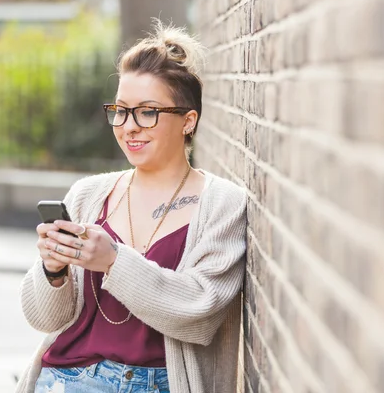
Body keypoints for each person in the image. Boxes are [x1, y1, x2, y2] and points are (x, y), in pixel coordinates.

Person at [15, 20, 248, 393]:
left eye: (147, 112)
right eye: (120, 110)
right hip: (68, 379)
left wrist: (113, 261)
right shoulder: (88, 195)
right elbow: (44, 318)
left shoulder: (222, 203)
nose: (129, 126)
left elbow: (201, 312)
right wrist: (53, 270)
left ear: (188, 121)